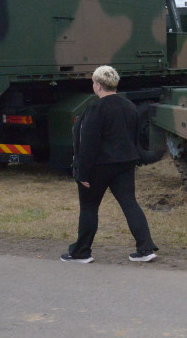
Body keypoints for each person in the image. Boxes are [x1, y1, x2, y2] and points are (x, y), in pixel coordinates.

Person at [62, 66, 158, 263]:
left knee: (89, 207)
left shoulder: (95, 109)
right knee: (130, 204)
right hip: (125, 163)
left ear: (98, 85)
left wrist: (82, 173)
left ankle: (82, 252)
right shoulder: (129, 106)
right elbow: (134, 136)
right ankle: (145, 248)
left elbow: (88, 143)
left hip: (99, 166)